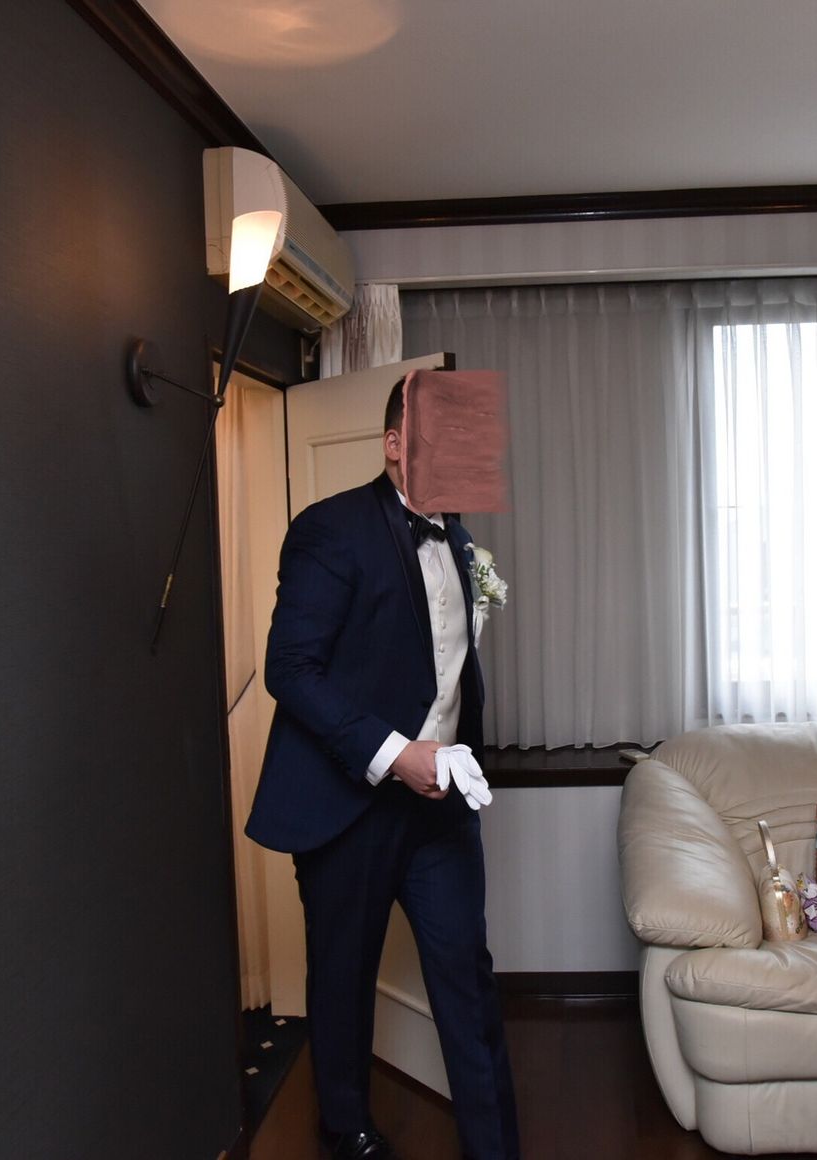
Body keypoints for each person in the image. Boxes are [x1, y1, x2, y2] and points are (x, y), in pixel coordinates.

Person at [245, 378, 519, 1160]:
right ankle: (347, 1131)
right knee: (342, 980)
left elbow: (443, 663)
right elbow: (290, 668)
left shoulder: (461, 544)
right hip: (348, 807)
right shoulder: (329, 529)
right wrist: (397, 754)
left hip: (441, 812)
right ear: (395, 443)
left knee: (467, 981)